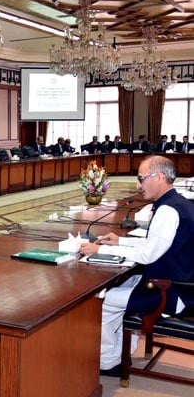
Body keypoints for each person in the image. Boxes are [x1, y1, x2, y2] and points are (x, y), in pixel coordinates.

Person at [79, 156, 194, 377]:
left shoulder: (168, 210)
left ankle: (109, 362)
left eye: (141, 178)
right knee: (121, 286)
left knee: (101, 302)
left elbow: (148, 254)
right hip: (174, 281)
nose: (138, 185)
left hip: (170, 291)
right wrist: (119, 241)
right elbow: (156, 244)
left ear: (159, 177)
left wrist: (100, 250)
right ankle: (122, 354)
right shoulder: (178, 203)